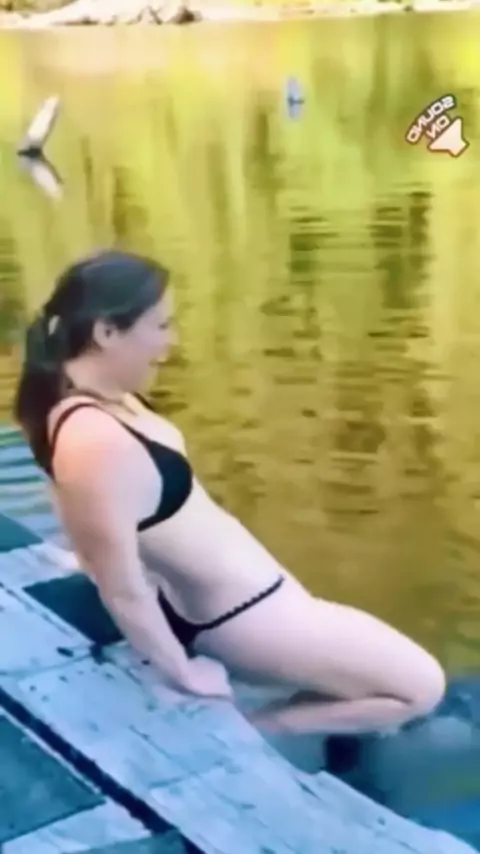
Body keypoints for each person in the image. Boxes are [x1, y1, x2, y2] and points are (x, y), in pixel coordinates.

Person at [14, 249, 446, 736]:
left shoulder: (109, 400)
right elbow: (121, 586)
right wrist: (183, 673)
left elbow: (106, 528)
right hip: (243, 620)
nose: (171, 342)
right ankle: (250, 731)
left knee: (387, 677)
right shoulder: (92, 441)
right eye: (161, 326)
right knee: (420, 689)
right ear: (106, 333)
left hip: (258, 600)